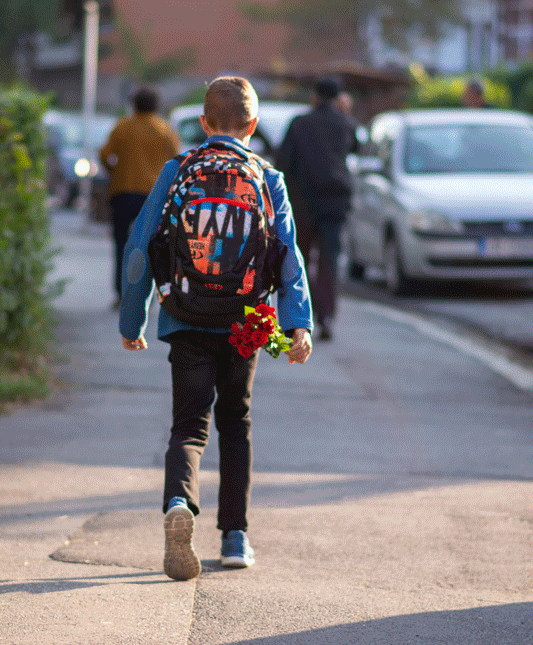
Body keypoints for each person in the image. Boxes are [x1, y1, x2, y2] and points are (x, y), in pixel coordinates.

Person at [119, 76, 313, 581]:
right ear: (252, 125)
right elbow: (289, 254)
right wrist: (297, 326)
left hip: (184, 314)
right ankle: (235, 536)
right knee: (236, 423)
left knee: (188, 426)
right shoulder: (267, 176)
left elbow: (140, 244)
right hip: (247, 319)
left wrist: (132, 317)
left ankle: (179, 500)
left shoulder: (178, 169)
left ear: (203, 124)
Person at [277, 77, 359, 341]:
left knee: (300, 260)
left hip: (303, 202)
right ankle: (327, 317)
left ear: (314, 96)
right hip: (335, 202)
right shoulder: (345, 123)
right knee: (329, 262)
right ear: (338, 97)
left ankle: (303, 317)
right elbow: (355, 148)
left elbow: (283, 162)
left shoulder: (300, 123)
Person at [100, 86, 180, 308]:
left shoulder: (123, 127)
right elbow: (177, 161)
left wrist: (114, 171)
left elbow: (105, 154)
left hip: (123, 191)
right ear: (156, 106)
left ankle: (121, 293)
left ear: (133, 104)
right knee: (151, 246)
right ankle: (148, 294)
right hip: (154, 195)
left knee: (121, 244)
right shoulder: (164, 130)